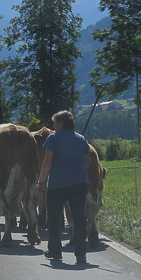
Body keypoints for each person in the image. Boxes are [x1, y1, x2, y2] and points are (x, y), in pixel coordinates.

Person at [35, 110, 90, 264]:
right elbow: (87, 163)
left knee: (53, 218)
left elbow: (47, 162)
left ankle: (55, 250)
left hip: (58, 184)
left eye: (55, 123)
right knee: (79, 217)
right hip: (79, 183)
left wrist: (40, 182)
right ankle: (81, 254)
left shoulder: (53, 138)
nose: (54, 126)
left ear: (60, 123)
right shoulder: (81, 139)